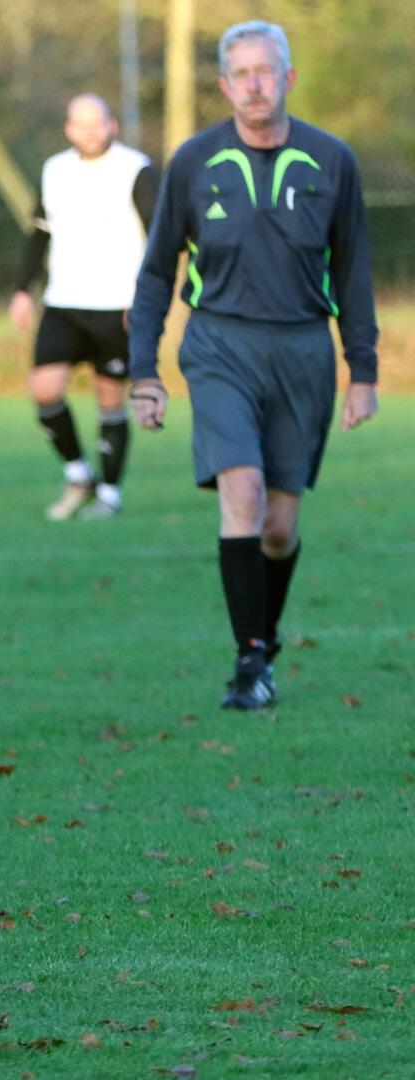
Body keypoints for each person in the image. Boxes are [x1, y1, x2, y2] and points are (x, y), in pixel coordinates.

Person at [128, 20, 378, 710]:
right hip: (219, 347)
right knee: (242, 494)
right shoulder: (193, 161)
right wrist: (143, 371)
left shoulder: (333, 161)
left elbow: (355, 271)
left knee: (279, 526)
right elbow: (155, 275)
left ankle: (261, 646)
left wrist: (365, 371)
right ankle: (248, 665)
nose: (254, 85)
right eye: (241, 74)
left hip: (302, 351)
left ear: (289, 77)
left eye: (266, 71)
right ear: (223, 85)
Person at [9, 93, 156, 520]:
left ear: (112, 124)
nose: (91, 132)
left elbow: (159, 240)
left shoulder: (137, 169)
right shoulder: (55, 170)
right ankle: (79, 473)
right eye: (81, 124)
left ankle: (110, 493)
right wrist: (22, 290)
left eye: (98, 123)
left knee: (110, 399)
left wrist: (147, 299)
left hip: (119, 305)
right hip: (64, 302)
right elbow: (39, 233)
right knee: (44, 389)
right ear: (69, 129)